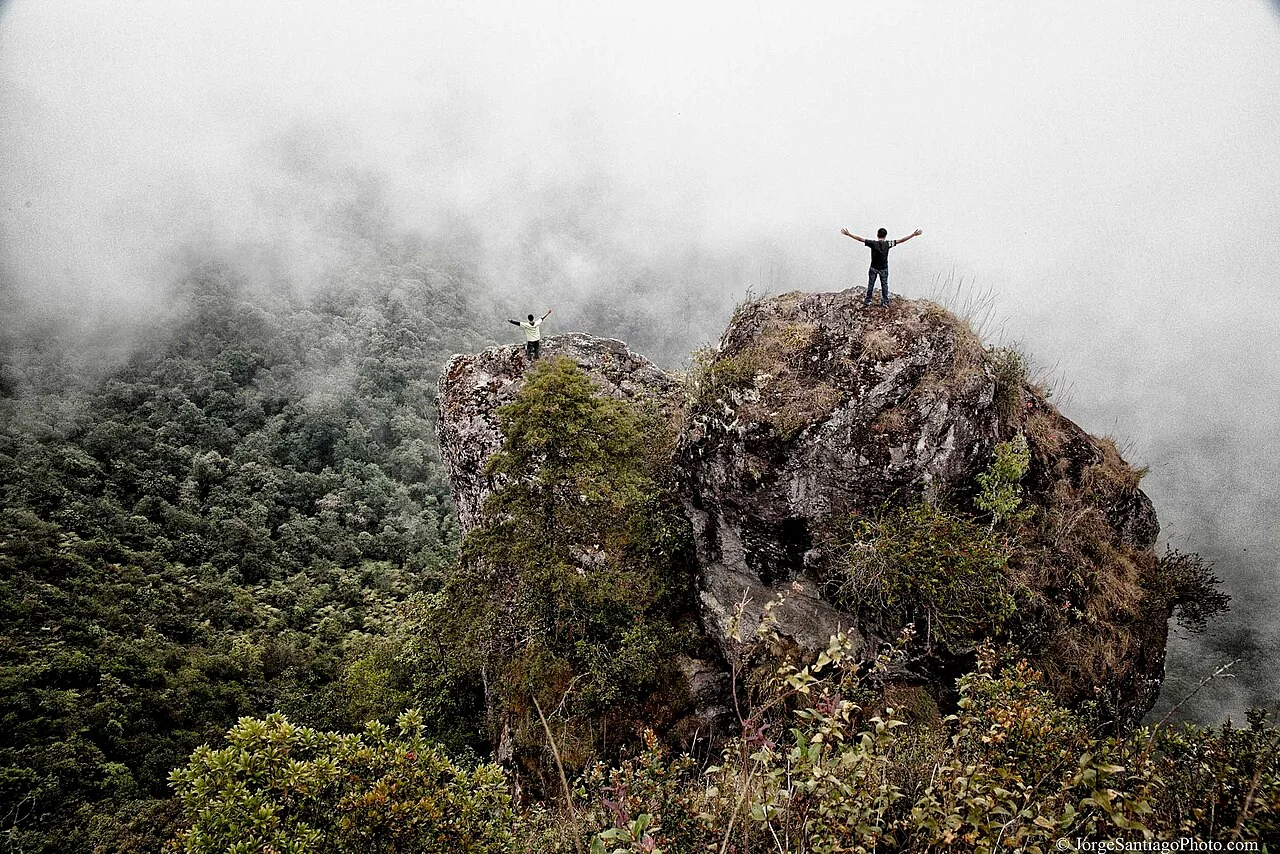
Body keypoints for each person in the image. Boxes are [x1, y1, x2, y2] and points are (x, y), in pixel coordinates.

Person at [840, 226, 923, 307]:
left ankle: (868, 300)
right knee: (884, 285)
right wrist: (913, 234)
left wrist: (849, 234)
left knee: (871, 284)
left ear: (877, 235)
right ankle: (885, 302)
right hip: (883, 268)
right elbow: (901, 240)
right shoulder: (888, 244)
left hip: (873, 267)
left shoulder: (873, 243)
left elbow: (860, 239)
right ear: (885, 236)